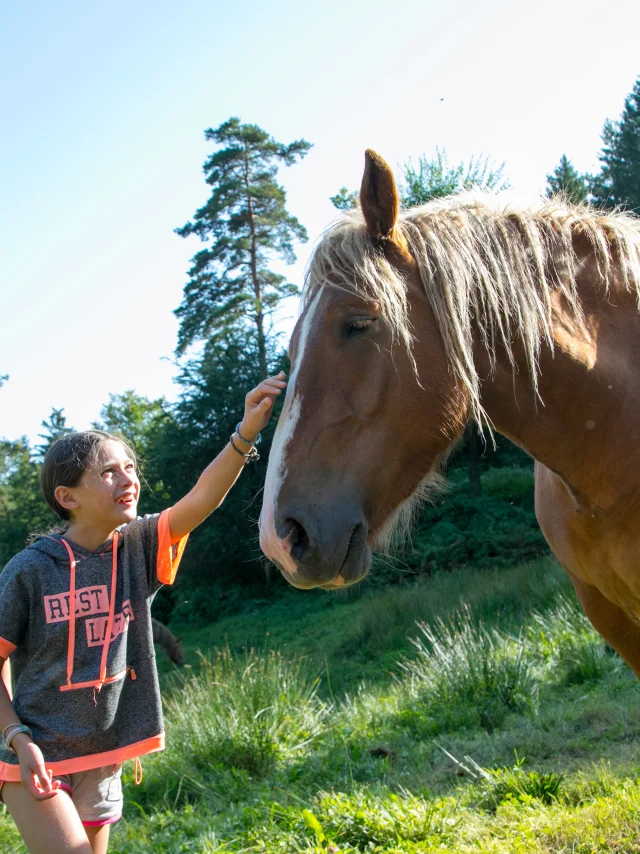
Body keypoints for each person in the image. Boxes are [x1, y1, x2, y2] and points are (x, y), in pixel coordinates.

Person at [0, 371, 286, 854]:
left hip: (106, 752)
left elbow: (201, 499)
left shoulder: (139, 547)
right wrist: (18, 738)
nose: (128, 478)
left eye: (130, 467)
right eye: (108, 471)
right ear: (67, 498)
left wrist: (246, 432)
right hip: (36, 752)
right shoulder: (28, 572)